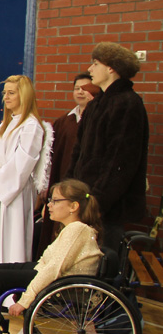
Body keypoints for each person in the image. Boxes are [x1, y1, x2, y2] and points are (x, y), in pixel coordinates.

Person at [0, 179, 103, 334]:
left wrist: (25, 300)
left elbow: (54, 269)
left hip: (64, 282)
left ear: (73, 206)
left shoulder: (77, 229)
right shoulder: (73, 228)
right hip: (58, 275)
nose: (49, 205)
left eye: (55, 201)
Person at [68, 42, 150, 251]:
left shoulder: (127, 103)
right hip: (84, 201)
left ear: (111, 67)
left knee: (102, 260)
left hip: (106, 209)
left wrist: (97, 202)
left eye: (96, 63)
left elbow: (120, 161)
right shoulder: (96, 104)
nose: (90, 69)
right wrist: (69, 189)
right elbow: (78, 151)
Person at [0, 75, 50, 298]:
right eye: (4, 93)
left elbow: (22, 164)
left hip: (14, 193)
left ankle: (10, 295)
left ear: (24, 95)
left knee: (12, 241)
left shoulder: (31, 126)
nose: (6, 97)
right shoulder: (6, 124)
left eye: (11, 93)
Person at [37, 73, 97, 251]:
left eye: (85, 89)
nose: (80, 92)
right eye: (77, 88)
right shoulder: (63, 122)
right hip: (63, 182)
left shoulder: (96, 121)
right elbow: (52, 157)